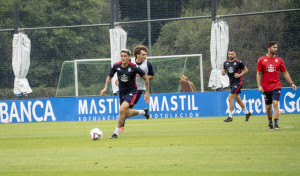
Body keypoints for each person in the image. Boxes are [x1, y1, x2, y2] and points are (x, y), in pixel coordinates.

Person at [100, 49, 150, 139]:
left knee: (122, 110)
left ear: (129, 57)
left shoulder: (134, 67)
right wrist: (105, 88)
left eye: (125, 56)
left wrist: (147, 92)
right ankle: (143, 112)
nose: (123, 58)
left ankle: (115, 133)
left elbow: (146, 78)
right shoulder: (116, 66)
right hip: (122, 92)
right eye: (122, 56)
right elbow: (109, 77)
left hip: (132, 92)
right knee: (125, 113)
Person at [256, 41, 297, 130]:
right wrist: (259, 86)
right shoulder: (261, 60)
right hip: (266, 87)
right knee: (268, 107)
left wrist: (292, 83)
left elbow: (285, 73)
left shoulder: (279, 60)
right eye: (274, 47)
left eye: (276, 47)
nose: (276, 49)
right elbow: (259, 74)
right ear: (269, 48)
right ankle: (270, 123)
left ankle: (276, 124)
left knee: (275, 103)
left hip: (276, 85)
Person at [119, 45, 155, 133]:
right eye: (143, 54)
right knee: (124, 110)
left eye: (145, 54)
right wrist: (118, 79)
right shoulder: (130, 61)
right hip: (126, 88)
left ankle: (120, 127)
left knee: (125, 111)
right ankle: (143, 112)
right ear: (137, 55)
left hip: (138, 90)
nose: (145, 56)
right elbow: (123, 70)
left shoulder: (148, 64)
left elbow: (152, 77)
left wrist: (143, 76)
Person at [222, 50, 252, 122]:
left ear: (235, 55)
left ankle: (230, 117)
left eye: (232, 54)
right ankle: (247, 113)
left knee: (230, 99)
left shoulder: (239, 62)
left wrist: (240, 75)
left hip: (238, 83)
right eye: (229, 54)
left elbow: (246, 70)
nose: (230, 55)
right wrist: (223, 73)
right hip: (231, 83)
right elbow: (224, 71)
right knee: (238, 100)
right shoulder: (226, 63)